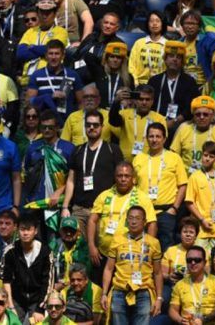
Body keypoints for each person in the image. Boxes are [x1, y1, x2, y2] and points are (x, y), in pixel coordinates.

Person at [62, 109, 124, 234]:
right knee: (78, 250)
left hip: (104, 210)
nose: (92, 128)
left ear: (102, 127)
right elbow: (71, 180)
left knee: (101, 249)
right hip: (79, 209)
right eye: (88, 125)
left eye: (95, 125)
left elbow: (121, 179)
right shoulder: (78, 150)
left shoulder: (113, 150)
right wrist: (65, 207)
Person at [100, 205, 163, 322]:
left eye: (138, 218)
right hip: (120, 290)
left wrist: (159, 298)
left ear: (144, 222)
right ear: (126, 220)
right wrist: (104, 293)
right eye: (131, 218)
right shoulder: (117, 240)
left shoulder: (154, 243)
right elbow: (108, 269)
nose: (133, 221)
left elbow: (158, 273)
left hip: (144, 291)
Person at [133, 122, 187, 250]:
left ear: (164, 139)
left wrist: (174, 208)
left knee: (165, 248)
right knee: (142, 248)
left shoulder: (174, 158)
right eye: (151, 136)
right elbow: (133, 186)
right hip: (143, 213)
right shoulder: (138, 158)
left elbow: (183, 185)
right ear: (146, 138)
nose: (154, 140)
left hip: (166, 212)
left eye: (158, 136)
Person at [1, 214, 52, 319]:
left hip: (38, 299)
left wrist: (40, 308)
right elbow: (6, 281)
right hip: (16, 299)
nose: (25, 233)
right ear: (17, 230)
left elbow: (47, 282)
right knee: (9, 320)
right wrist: (11, 307)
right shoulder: (10, 251)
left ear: (35, 231)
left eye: (29, 229)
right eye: (22, 229)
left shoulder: (45, 252)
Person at [167, 244, 215, 324]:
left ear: (204, 262)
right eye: (189, 260)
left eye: (197, 260)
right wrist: (180, 321)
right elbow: (173, 309)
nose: (193, 263)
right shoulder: (180, 285)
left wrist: (206, 319)